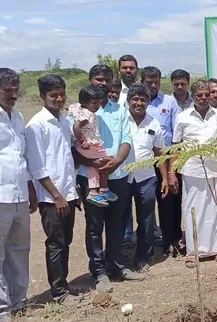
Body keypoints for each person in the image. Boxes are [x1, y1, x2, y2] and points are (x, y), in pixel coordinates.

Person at [73, 64, 144, 293]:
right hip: (90, 177)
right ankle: (99, 271)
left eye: (106, 79)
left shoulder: (120, 110)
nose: (102, 83)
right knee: (95, 226)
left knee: (116, 223)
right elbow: (72, 147)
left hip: (118, 175)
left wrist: (117, 162)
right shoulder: (79, 112)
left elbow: (126, 139)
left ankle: (116, 265)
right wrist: (92, 163)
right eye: (98, 79)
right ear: (91, 80)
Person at [0, 68, 38, 322]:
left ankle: (18, 300)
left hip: (19, 195)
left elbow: (20, 156)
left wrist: (30, 188)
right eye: (8, 90)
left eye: (16, 89)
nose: (13, 94)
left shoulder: (17, 117)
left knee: (20, 249)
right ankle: (0, 309)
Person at [25, 75, 79, 304]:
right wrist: (56, 196)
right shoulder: (36, 125)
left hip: (68, 192)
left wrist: (71, 192)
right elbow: (37, 166)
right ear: (42, 97)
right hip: (52, 197)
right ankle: (58, 292)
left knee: (65, 240)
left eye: (61, 94)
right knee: (56, 243)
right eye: (53, 95)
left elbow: (68, 156)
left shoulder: (64, 120)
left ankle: (63, 284)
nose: (58, 98)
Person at [172, 80, 217, 268]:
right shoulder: (183, 117)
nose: (205, 98)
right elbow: (176, 147)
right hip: (191, 170)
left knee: (216, 209)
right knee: (192, 211)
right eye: (200, 95)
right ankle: (193, 251)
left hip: (214, 169)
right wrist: (172, 173)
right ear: (193, 96)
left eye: (207, 94)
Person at [139, 66, 182, 256]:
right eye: (149, 82)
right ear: (143, 82)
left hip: (167, 158)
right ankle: (149, 242)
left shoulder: (170, 102)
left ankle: (172, 240)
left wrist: (172, 169)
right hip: (145, 161)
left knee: (169, 201)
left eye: (156, 81)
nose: (153, 85)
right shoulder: (138, 102)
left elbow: (176, 136)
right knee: (147, 203)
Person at [125, 83, 168, 271]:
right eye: (135, 99)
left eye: (143, 100)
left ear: (148, 102)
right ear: (128, 101)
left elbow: (160, 152)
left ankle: (144, 256)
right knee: (118, 218)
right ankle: (117, 258)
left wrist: (166, 178)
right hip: (122, 177)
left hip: (147, 178)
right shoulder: (120, 120)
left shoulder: (153, 123)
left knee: (147, 219)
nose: (139, 103)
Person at [69, 86, 117, 207]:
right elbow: (76, 127)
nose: (97, 106)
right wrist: (82, 140)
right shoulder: (88, 114)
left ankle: (96, 191)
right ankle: (101, 190)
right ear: (85, 102)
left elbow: (70, 108)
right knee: (104, 164)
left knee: (93, 167)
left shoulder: (78, 109)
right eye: (94, 103)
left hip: (87, 145)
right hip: (90, 145)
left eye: (99, 103)